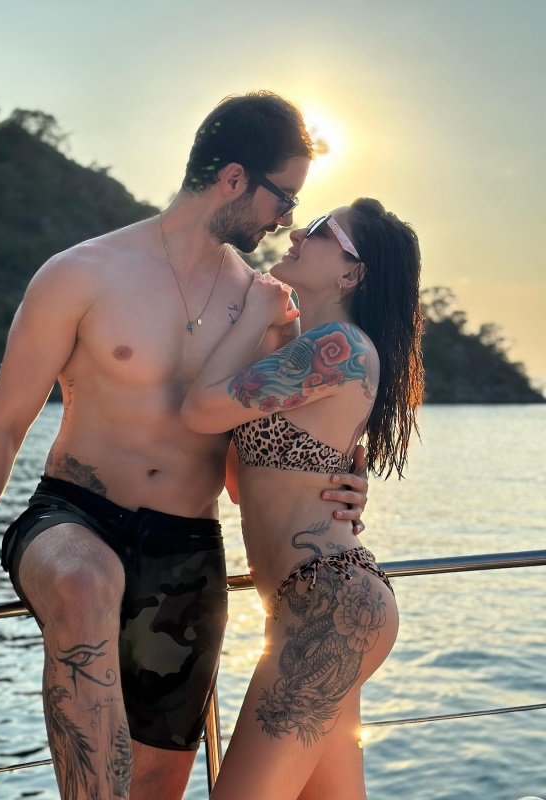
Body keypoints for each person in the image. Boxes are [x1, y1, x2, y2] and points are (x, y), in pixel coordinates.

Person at [0, 92, 370, 800]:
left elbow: (253, 467)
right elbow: (3, 424)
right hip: (74, 515)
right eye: (285, 198)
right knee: (83, 582)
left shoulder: (266, 306)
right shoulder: (81, 274)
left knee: (156, 786)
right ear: (234, 178)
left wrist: (337, 482)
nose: (286, 221)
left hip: (187, 549)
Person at [181, 198, 423, 799]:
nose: (295, 233)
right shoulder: (306, 348)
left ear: (351, 273)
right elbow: (240, 482)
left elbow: (200, 409)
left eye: (319, 230)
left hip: (328, 608)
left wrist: (256, 310)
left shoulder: (339, 347)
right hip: (317, 604)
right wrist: (271, 328)